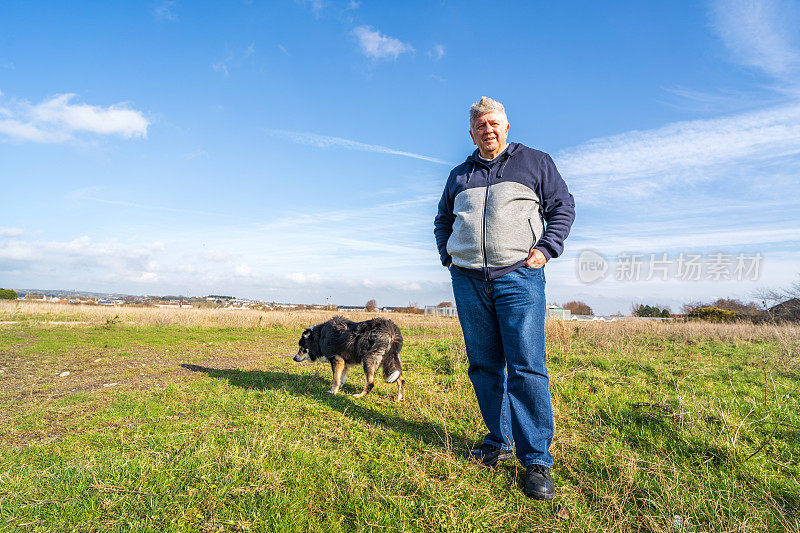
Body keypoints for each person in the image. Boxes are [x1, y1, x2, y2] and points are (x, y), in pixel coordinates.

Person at [434, 96, 575, 500]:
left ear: (506, 128)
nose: (487, 129)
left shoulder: (535, 162)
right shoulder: (459, 174)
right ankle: (499, 440)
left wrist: (546, 249)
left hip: (518, 277)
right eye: (480, 125)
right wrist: (449, 255)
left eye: (494, 123)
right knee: (483, 364)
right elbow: (443, 219)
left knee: (527, 366)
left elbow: (563, 206)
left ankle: (536, 461)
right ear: (472, 132)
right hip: (469, 281)